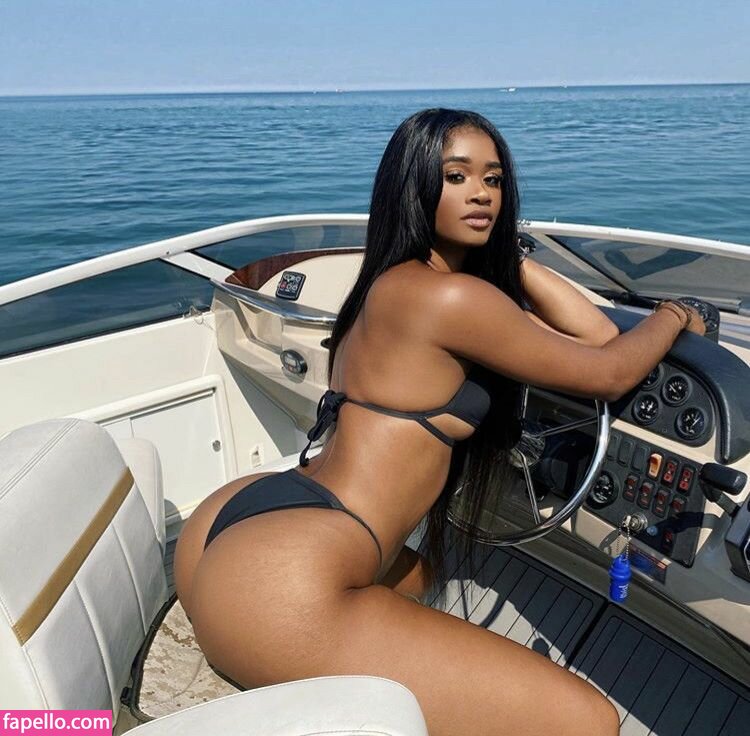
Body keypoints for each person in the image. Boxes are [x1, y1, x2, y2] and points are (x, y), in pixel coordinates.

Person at [173, 108, 705, 736]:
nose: (482, 193)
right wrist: (676, 313)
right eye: (457, 177)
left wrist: (504, 254)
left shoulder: (388, 284)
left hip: (241, 522)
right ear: (416, 185)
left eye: (494, 179)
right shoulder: (452, 299)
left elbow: (590, 333)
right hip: (282, 585)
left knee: (428, 577)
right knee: (588, 720)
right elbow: (608, 368)